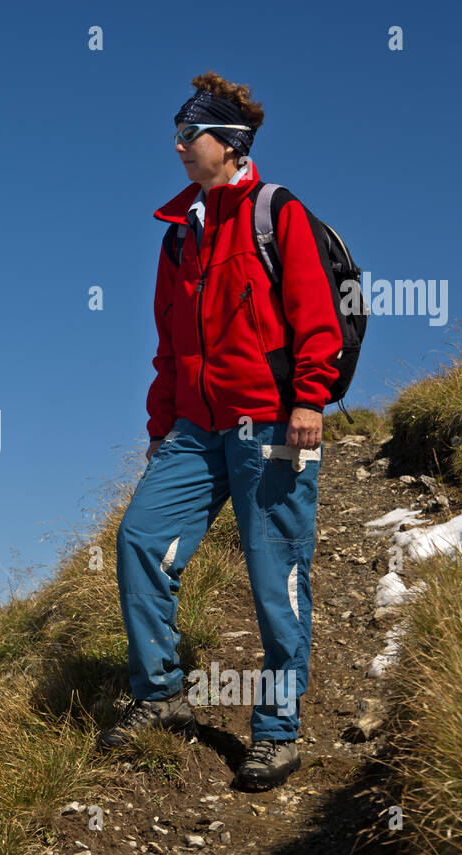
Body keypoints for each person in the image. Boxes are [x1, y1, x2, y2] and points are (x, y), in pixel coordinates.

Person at [99, 71, 343, 791]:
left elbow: (316, 314)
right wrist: (159, 426)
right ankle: (162, 697)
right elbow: (168, 348)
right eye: (176, 134)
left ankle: (276, 732)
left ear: (229, 144)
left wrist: (310, 400)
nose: (177, 146)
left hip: (271, 422)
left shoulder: (276, 213)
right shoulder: (178, 240)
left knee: (276, 579)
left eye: (190, 134)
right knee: (140, 538)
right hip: (194, 432)